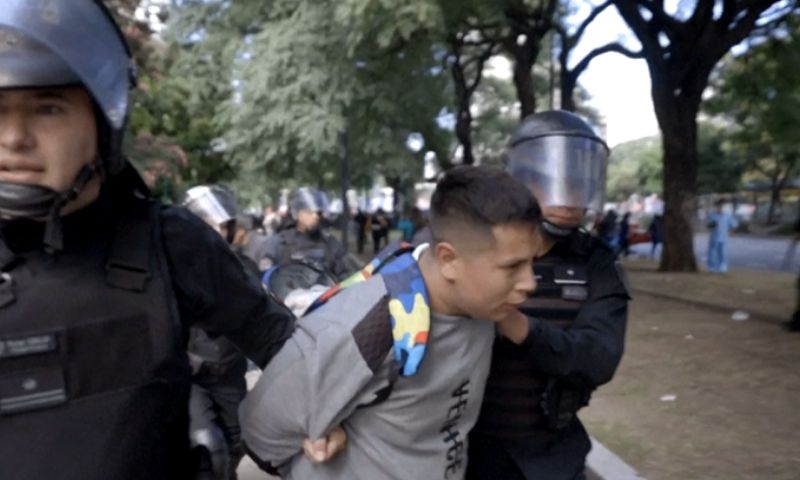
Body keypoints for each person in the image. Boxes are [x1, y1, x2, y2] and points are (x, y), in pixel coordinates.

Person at [0, 3, 294, 479]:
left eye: (48, 108)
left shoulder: (172, 244)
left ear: (104, 123)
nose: (13, 138)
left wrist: (323, 420)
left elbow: (281, 343)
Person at [240, 165, 542, 480]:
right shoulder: (370, 327)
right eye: (513, 267)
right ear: (449, 260)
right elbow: (261, 432)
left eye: (533, 262)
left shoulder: (486, 307)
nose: (530, 283)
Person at [467, 110, 630, 480]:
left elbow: (600, 358)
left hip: (553, 457)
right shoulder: (471, 248)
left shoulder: (597, 263)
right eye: (556, 183)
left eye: (578, 185)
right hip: (468, 452)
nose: (570, 198)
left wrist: (519, 326)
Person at [182, 185, 257, 479]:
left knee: (235, 445)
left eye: (224, 225)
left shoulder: (243, 268)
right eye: (210, 223)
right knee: (207, 446)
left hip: (229, 374)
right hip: (191, 378)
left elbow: (263, 321)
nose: (219, 231)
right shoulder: (171, 267)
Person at [262, 187, 349, 278]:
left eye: (318, 213)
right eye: (309, 212)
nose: (316, 216)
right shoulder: (279, 242)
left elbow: (345, 276)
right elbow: (266, 276)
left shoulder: (330, 243)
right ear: (298, 214)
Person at [706, 199, 738, 273]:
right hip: (714, 237)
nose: (720, 208)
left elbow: (734, 224)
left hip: (723, 237)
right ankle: (711, 267)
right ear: (716, 207)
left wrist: (732, 232)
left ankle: (722, 266)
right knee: (712, 253)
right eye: (719, 206)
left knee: (722, 253)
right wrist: (712, 225)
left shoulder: (727, 215)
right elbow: (708, 225)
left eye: (722, 206)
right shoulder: (712, 215)